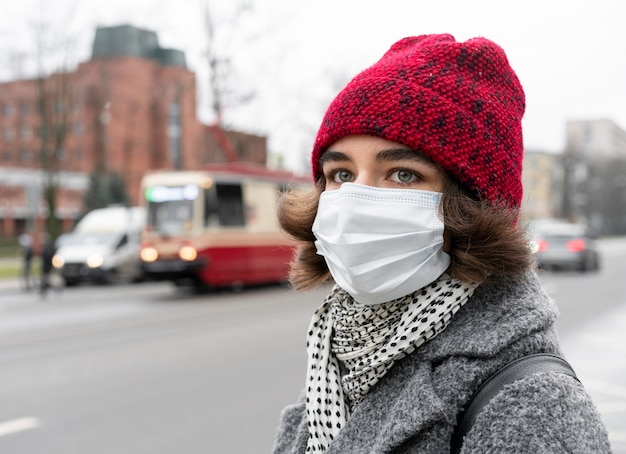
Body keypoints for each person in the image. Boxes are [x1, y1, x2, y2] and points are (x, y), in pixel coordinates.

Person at [272, 34, 611, 453]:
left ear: (470, 205)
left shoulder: (533, 408)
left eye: (402, 174)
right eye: (341, 174)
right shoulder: (338, 358)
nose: (354, 201)